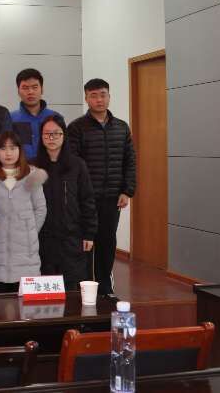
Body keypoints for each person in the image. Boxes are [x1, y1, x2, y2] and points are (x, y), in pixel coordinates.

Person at [67, 79, 136, 296]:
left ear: (109, 96)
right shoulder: (76, 127)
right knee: (85, 243)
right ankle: (84, 287)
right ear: (86, 98)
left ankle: (105, 288)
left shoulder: (121, 127)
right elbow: (72, 165)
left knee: (107, 242)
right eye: (94, 95)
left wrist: (127, 191)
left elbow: (130, 161)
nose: (99, 99)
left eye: (103, 94)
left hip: (112, 198)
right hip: (85, 199)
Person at [35, 115, 97, 291]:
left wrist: (89, 234)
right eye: (47, 134)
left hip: (71, 237)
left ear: (64, 136)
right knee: (45, 286)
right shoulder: (33, 166)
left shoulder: (77, 165)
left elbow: (87, 200)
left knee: (71, 286)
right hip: (42, 237)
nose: (51, 138)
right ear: (41, 137)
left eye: (56, 133)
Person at [0, 131, 47, 293]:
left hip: (26, 254)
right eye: (3, 148)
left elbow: (40, 208)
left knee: (25, 304)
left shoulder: (32, 175)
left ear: (20, 150)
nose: (8, 153)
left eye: (13, 148)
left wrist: (30, 230)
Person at [9, 69, 61, 160]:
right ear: (18, 91)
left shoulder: (55, 118)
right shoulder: (11, 119)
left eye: (35, 87)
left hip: (49, 167)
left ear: (42, 89)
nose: (30, 92)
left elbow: (63, 147)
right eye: (25, 88)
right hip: (21, 167)